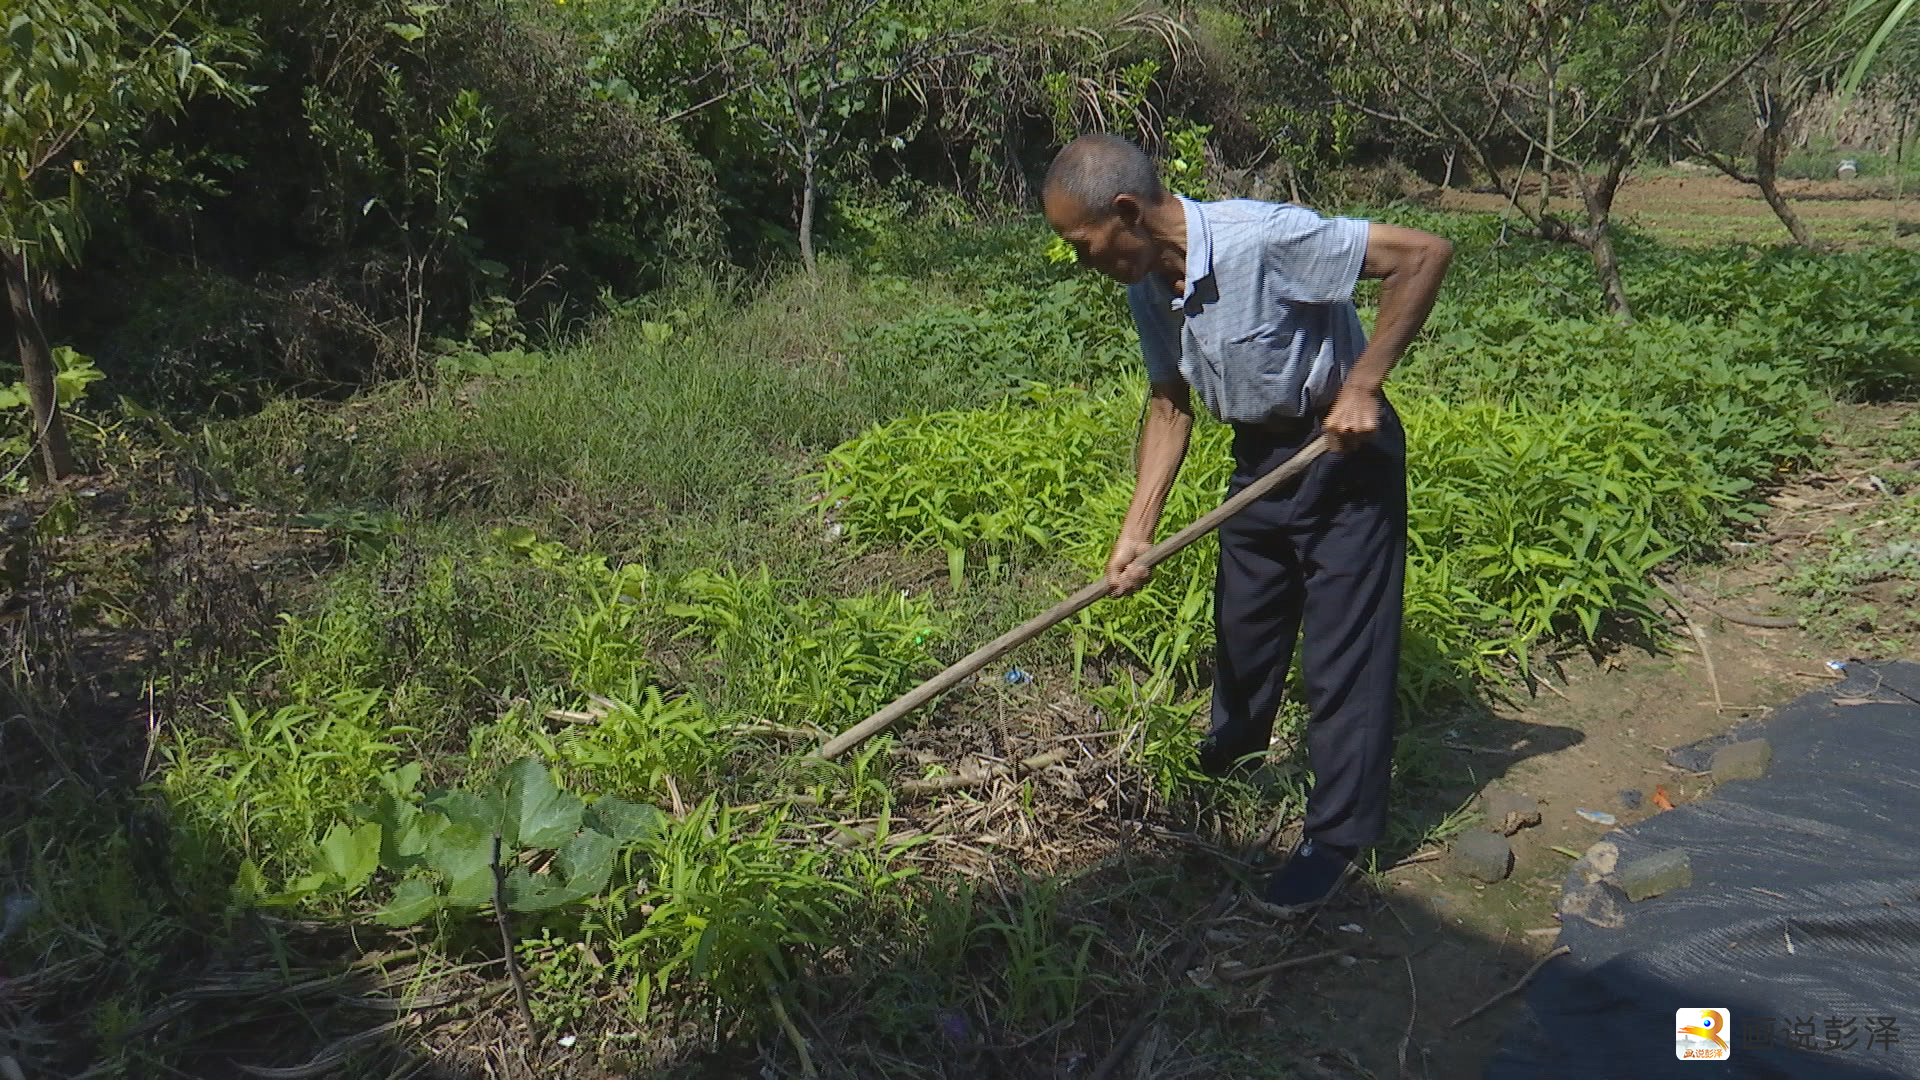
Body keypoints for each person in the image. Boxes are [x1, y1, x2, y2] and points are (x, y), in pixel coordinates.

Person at [1042, 133, 1453, 916]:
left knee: (1343, 653)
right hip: (1260, 459)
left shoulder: (1263, 236)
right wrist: (1136, 532)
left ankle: (1336, 838)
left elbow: (1425, 253)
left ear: (1126, 212)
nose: (1082, 259)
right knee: (1246, 626)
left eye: (1083, 242)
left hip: (1341, 453)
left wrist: (1363, 384)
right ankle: (1230, 760)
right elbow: (1170, 404)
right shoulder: (1149, 286)